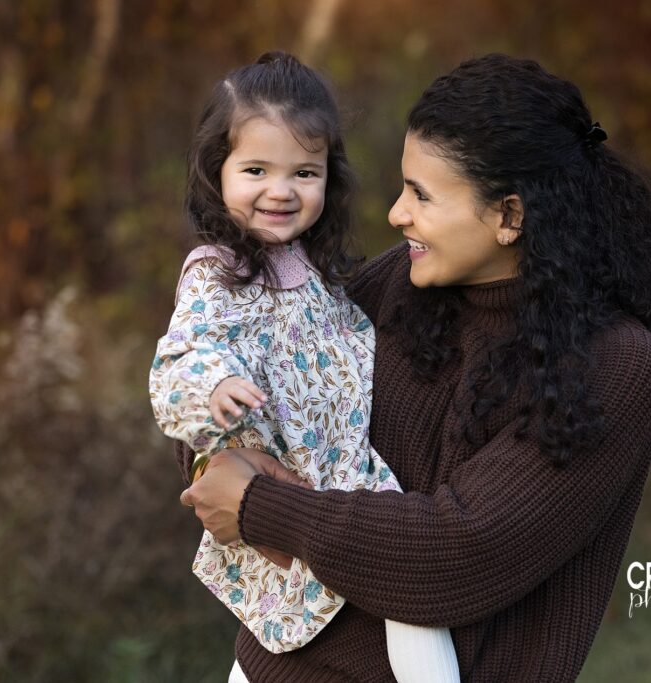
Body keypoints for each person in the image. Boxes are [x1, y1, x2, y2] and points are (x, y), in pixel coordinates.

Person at [176, 53, 651, 682]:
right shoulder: (398, 284)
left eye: (421, 195)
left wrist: (261, 507)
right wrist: (214, 460)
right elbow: (252, 405)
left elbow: (460, 552)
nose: (396, 213)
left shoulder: (612, 365)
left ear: (509, 216)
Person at [149, 52, 461, 682]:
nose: (281, 191)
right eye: (256, 169)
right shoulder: (218, 273)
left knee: (413, 607)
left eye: (304, 172)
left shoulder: (313, 273)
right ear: (218, 172)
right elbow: (182, 354)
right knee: (276, 652)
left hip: (349, 482)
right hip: (288, 486)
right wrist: (216, 385)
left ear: (329, 177)